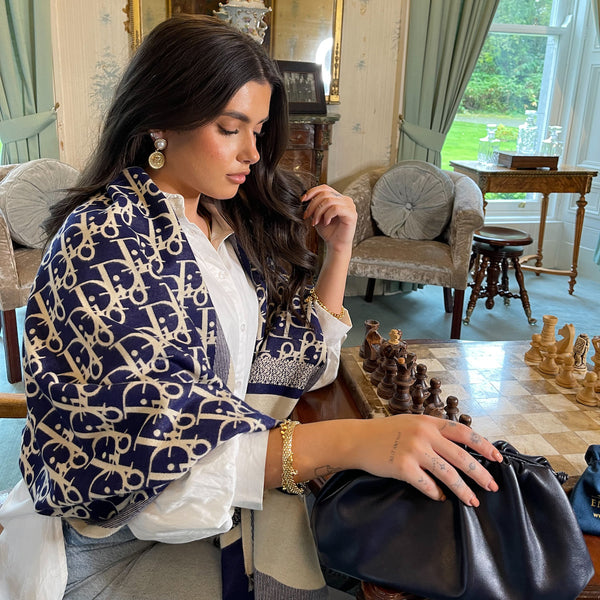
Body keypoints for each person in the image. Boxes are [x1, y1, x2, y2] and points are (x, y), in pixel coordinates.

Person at [0, 15, 503, 600]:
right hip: (118, 536)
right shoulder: (102, 241)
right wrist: (352, 443)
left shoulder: (219, 222)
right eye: (229, 128)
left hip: (219, 502)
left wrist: (338, 251)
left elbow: (291, 365)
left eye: (258, 130)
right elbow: (152, 466)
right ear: (160, 120)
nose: (251, 153)